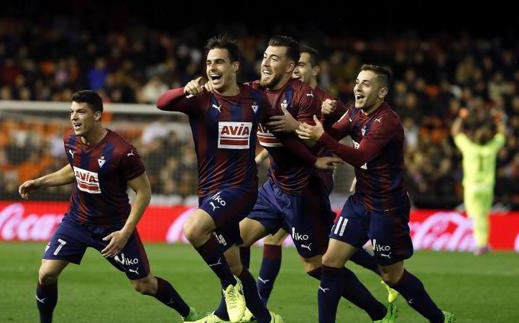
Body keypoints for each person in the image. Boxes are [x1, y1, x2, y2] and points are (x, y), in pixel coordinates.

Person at [157, 35, 330, 323]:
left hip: (242, 188)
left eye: (220, 61)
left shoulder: (255, 100)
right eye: (209, 62)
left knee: (193, 228)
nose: (213, 67)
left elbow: (283, 137)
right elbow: (163, 103)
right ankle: (265, 318)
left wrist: (314, 160)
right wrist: (183, 89)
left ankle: (229, 289)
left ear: (234, 66)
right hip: (210, 190)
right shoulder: (201, 99)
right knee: (235, 264)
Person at [19, 90, 200, 323]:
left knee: (144, 285)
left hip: (113, 229)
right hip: (77, 221)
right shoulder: (71, 141)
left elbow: (144, 192)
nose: (74, 117)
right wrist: (39, 182)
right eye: (71, 112)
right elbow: (74, 169)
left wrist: (125, 232)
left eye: (81, 112)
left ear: (97, 115)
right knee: (46, 274)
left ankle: (190, 315)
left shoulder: (121, 151)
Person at [297, 64, 455, 323]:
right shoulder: (354, 114)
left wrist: (322, 137)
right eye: (357, 81)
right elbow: (330, 135)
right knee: (330, 263)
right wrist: (323, 122)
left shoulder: (387, 121)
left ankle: (439, 318)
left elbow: (359, 156)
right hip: (359, 202)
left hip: (387, 208)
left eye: (366, 83)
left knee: (392, 275)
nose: (358, 87)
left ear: (382, 92)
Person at [253, 44, 398, 306]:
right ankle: (258, 306)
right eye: (295, 64)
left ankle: (259, 305)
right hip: (283, 182)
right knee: (327, 239)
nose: (297, 69)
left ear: (315, 70)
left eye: (302, 65)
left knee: (312, 256)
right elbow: (282, 137)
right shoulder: (286, 95)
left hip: (311, 180)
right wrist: (262, 155)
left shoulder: (324, 101)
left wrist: (359, 170)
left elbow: (357, 135)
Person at [451, 107, 506, 255]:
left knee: (476, 215)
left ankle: (480, 244)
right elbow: (502, 134)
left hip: (472, 188)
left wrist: (461, 118)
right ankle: (482, 243)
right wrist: (498, 120)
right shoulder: (491, 148)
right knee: (482, 215)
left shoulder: (469, 148)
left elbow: (455, 132)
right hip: (487, 188)